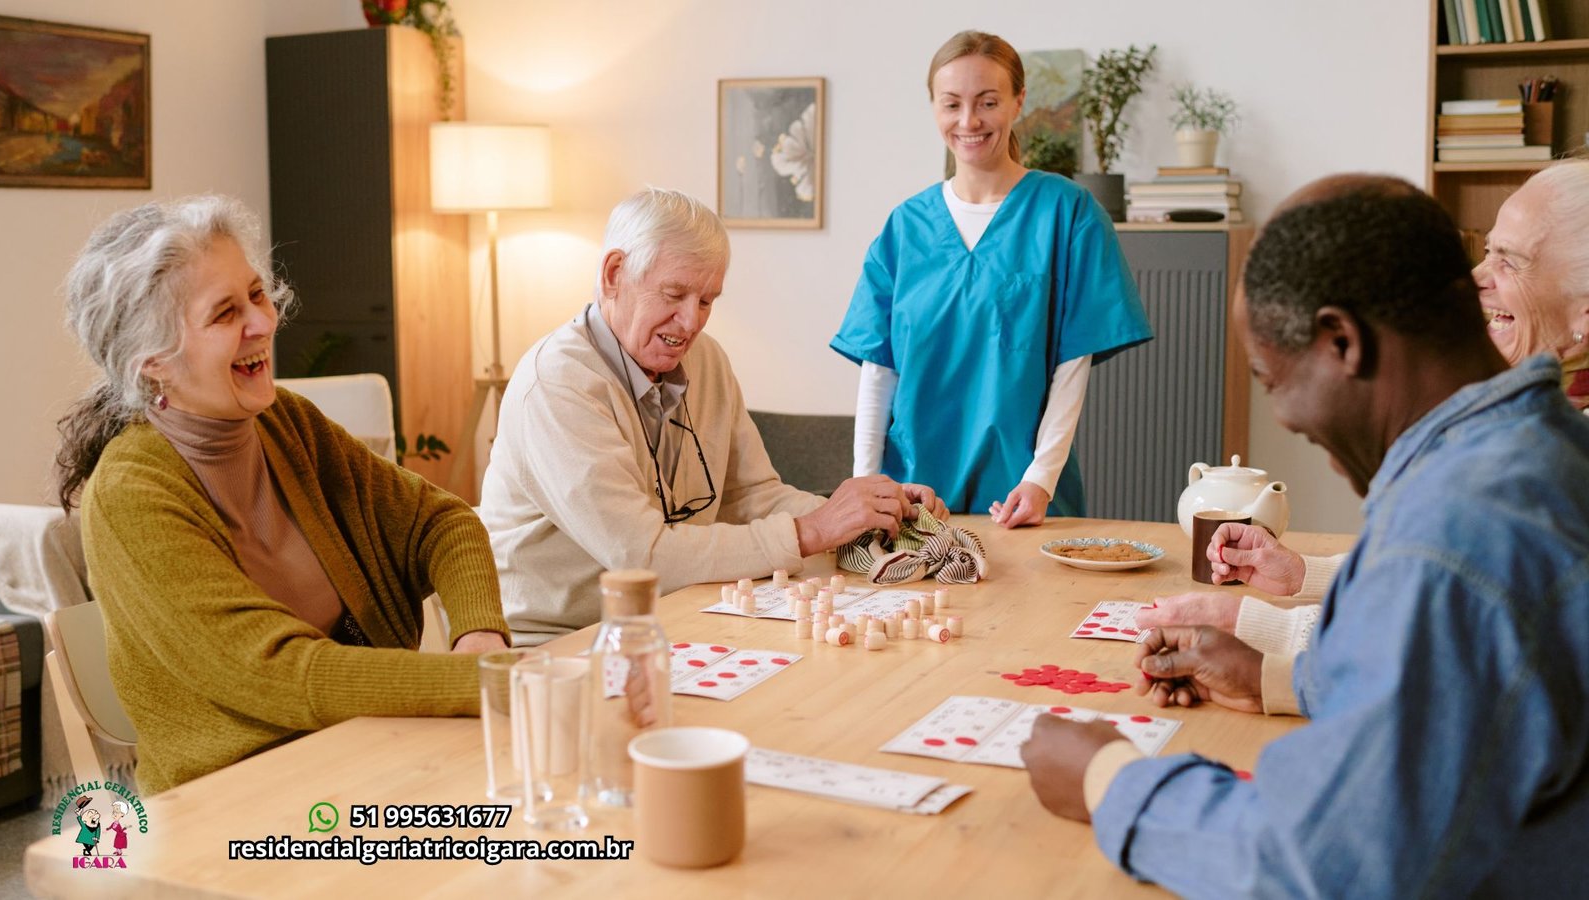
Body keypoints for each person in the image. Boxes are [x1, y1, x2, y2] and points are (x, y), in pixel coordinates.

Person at [1019, 179, 1589, 895]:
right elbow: (1466, 694)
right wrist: (1275, 675)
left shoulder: (1455, 535)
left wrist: (1110, 780)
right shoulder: (1542, 453)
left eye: (1272, 379)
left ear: (1342, 341)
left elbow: (1326, 867)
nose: (1290, 421)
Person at [57, 196, 510, 795]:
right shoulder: (130, 495)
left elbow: (441, 523)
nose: (264, 322)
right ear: (154, 364)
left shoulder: (286, 423)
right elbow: (278, 674)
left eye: (256, 294)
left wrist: (480, 639)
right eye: (224, 314)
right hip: (237, 804)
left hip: (372, 758)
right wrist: (482, 684)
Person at [1140, 159, 1589, 655]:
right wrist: (1302, 577)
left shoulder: (1494, 489)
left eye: (1510, 260)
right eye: (1485, 251)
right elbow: (1423, 593)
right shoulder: (1539, 430)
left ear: (1344, 343)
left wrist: (1254, 629)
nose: (1476, 277)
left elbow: (1422, 644)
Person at [481, 188, 944, 645]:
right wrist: (815, 530)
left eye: (706, 300)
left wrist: (868, 513)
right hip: (555, 643)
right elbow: (644, 557)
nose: (691, 323)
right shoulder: (557, 384)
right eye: (675, 294)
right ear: (614, 273)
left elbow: (752, 496)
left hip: (677, 615)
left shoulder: (707, 361)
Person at [830, 30, 1152, 528]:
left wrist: (1041, 478)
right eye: (952, 103)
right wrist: (865, 486)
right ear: (934, 108)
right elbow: (878, 370)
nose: (969, 121)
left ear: (1018, 101)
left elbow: (1073, 365)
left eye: (987, 102)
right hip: (911, 493)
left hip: (1018, 492)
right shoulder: (905, 226)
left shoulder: (1067, 214)